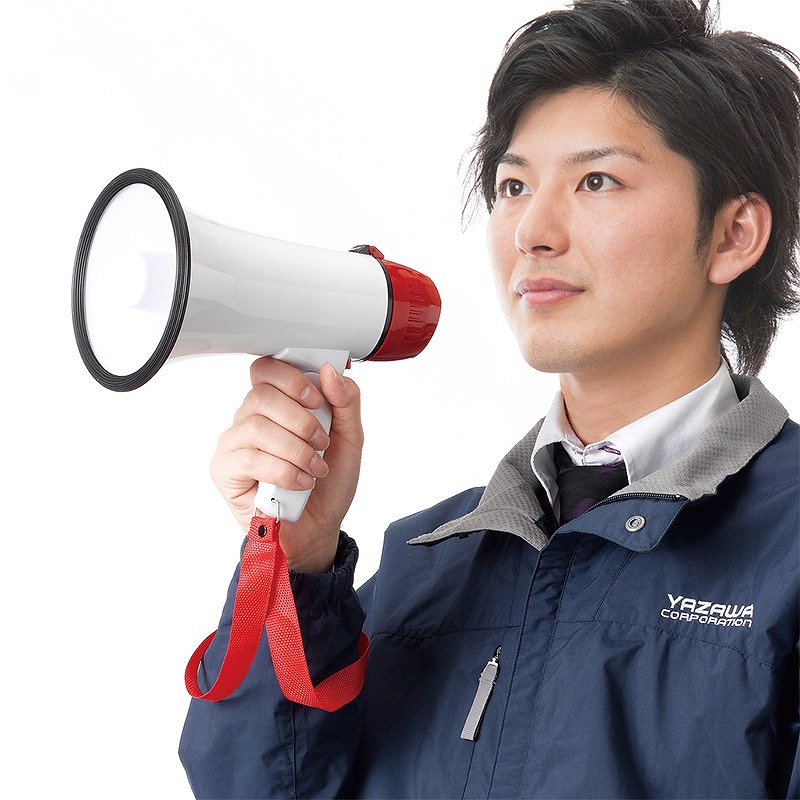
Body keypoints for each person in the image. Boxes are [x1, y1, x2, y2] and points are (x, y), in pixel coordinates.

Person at [179, 0, 800, 796]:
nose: (532, 231)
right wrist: (296, 567)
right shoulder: (426, 564)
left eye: (597, 180)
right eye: (513, 185)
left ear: (733, 234)